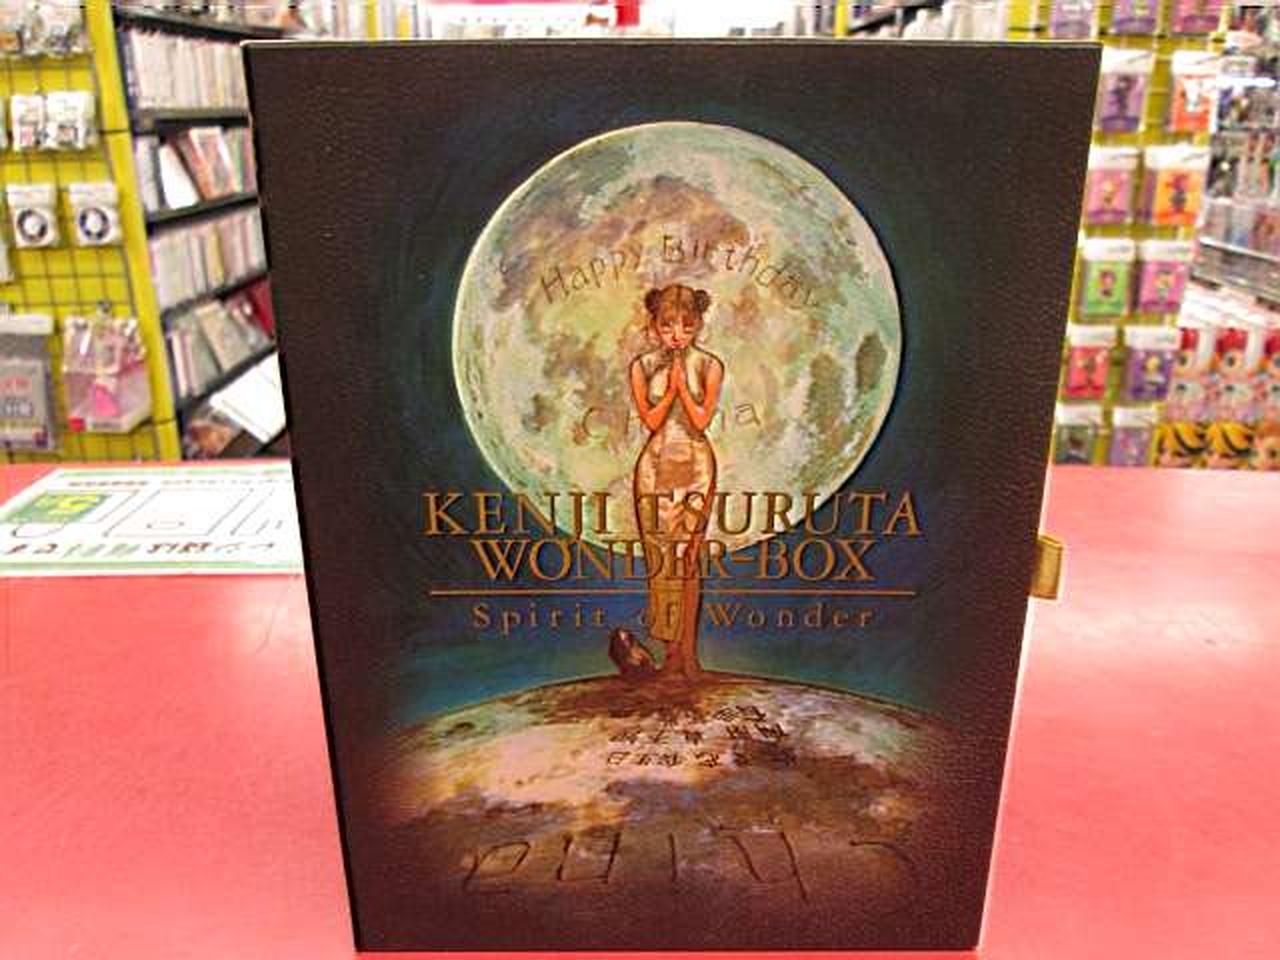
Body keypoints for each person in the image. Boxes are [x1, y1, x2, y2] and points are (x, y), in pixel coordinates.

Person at [628, 284, 724, 680]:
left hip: (696, 466)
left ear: (698, 324)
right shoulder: (642, 366)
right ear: (654, 325)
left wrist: (684, 386)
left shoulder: (711, 365)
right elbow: (651, 421)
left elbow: (701, 420)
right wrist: (670, 390)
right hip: (655, 468)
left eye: (686, 326)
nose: (677, 335)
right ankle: (669, 654)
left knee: (689, 558)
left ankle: (689, 653)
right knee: (662, 560)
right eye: (667, 326)